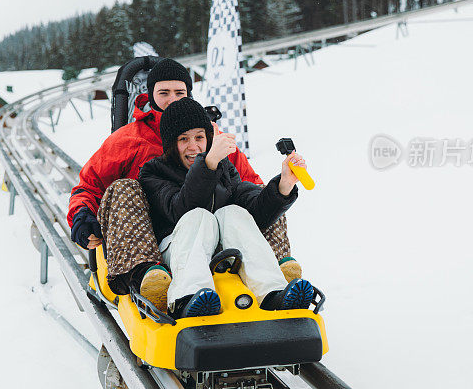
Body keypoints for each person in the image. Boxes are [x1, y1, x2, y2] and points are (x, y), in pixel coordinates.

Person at [67, 57, 301, 310]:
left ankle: (276, 273)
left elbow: (249, 188)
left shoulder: (214, 141)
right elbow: (90, 185)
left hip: (219, 231)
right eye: (164, 92)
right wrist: (83, 214)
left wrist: (283, 186)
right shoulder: (131, 144)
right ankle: (146, 275)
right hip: (160, 234)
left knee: (254, 198)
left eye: (180, 92)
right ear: (151, 94)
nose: (173, 99)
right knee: (126, 189)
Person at [138, 97, 315, 318]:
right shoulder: (153, 172)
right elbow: (180, 209)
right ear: (171, 144)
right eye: (184, 139)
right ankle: (186, 299)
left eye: (199, 137)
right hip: (178, 250)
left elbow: (254, 211)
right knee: (199, 217)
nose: (193, 146)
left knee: (233, 213)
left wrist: (284, 184)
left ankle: (272, 293)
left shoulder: (222, 167)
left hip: (220, 251)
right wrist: (208, 163)